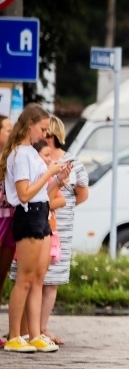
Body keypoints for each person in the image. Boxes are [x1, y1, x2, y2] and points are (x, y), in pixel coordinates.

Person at [1, 104, 70, 353]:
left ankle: (34, 334)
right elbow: (24, 194)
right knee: (25, 279)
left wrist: (58, 179)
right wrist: (49, 171)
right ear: (29, 125)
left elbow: (42, 192)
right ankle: (14, 336)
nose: (45, 134)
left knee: (38, 278)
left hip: (41, 213)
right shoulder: (19, 154)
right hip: (28, 214)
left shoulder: (31, 152)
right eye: (42, 129)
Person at [39, 115, 89, 345]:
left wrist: (63, 208)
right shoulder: (37, 158)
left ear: (56, 135)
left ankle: (42, 328)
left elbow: (82, 194)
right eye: (43, 133)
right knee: (33, 279)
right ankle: (29, 329)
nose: (45, 138)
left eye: (49, 134)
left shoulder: (72, 162)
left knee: (52, 280)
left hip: (62, 228)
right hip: (36, 223)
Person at [0, 116, 14, 344]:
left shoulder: (13, 157)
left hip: (11, 219)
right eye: (7, 129)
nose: (11, 133)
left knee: (1, 278)